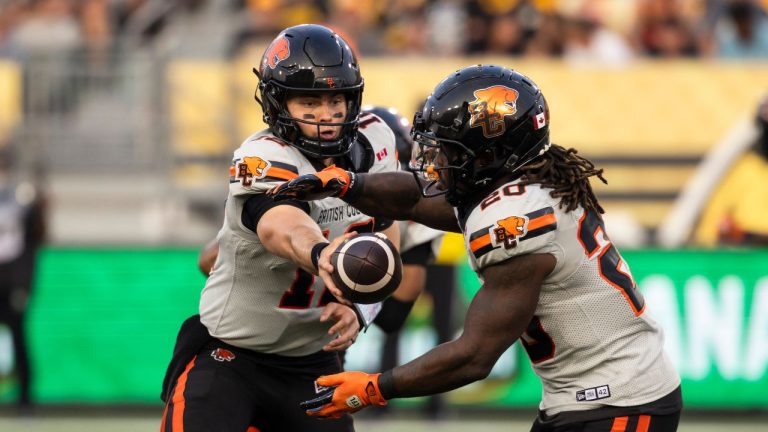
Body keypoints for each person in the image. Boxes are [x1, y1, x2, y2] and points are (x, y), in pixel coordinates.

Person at [271, 64, 683, 431]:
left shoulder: (516, 218)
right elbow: (415, 198)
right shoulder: (528, 179)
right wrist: (348, 183)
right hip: (585, 397)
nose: (435, 161)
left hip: (619, 399)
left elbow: (475, 355)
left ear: (489, 153)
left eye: (449, 149)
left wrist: (375, 387)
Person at [160, 24, 400, 432]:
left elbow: (387, 233)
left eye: (336, 99)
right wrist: (323, 255)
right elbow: (280, 225)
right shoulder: (262, 154)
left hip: (313, 364)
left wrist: (361, 308)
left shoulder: (376, 139)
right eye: (309, 101)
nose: (326, 114)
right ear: (278, 104)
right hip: (231, 358)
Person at [0, 147, 46, 410]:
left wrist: (24, 284)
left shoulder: (22, 198)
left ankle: (25, 397)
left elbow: (33, 242)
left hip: (12, 279)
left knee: (18, 337)